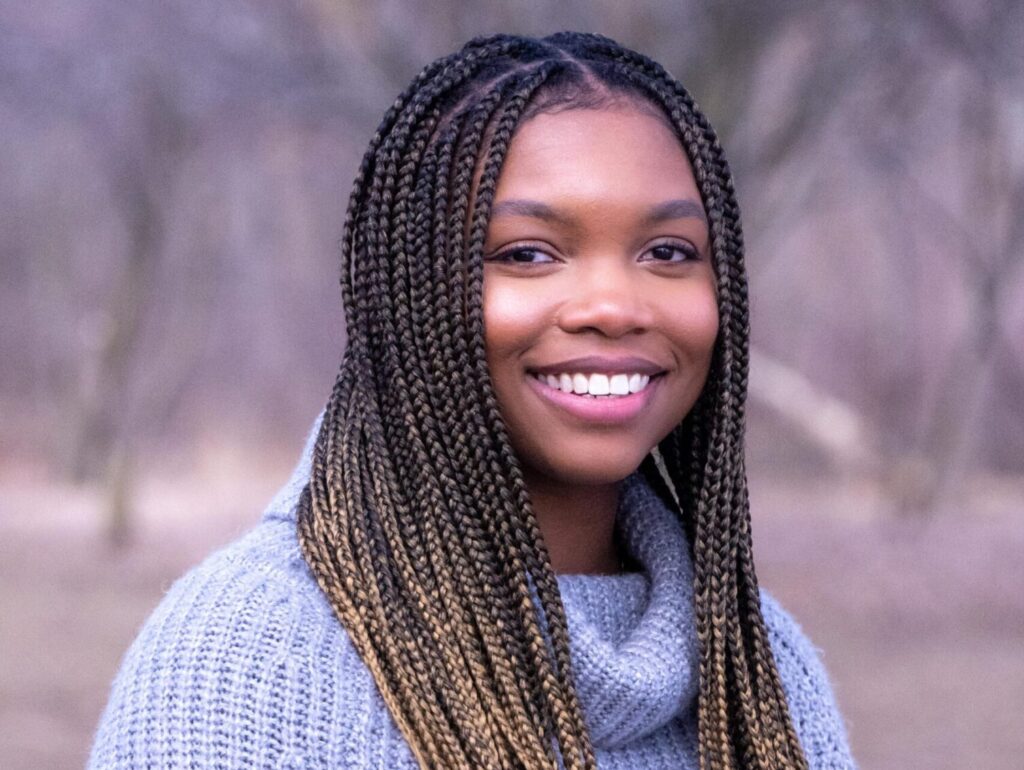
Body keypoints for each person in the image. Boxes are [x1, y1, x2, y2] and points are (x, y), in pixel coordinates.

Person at [89, 32, 855, 770]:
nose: (615, 306)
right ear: (406, 293)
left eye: (668, 253)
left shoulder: (757, 668)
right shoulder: (245, 662)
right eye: (527, 253)